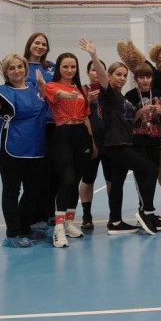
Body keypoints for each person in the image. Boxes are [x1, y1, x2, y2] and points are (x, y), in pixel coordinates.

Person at [79, 39, 161, 235]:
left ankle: (115, 222)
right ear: (109, 76)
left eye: (125, 75)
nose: (122, 78)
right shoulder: (108, 93)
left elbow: (126, 120)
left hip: (122, 142)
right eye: (118, 74)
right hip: (117, 144)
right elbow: (101, 75)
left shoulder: (120, 96)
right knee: (149, 169)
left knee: (117, 181)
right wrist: (93, 55)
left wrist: (139, 113)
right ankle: (147, 212)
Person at [0, 57, 48, 247]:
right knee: (12, 191)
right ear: (5, 72)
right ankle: (13, 234)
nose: (17, 70)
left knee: (33, 190)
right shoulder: (2, 92)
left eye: (20, 66)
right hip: (11, 149)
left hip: (36, 148)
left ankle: (25, 227)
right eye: (11, 68)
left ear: (25, 69)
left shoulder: (34, 88)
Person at [38, 52, 95, 247]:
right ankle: (59, 228)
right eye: (65, 66)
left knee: (76, 180)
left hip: (82, 135)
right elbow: (57, 95)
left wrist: (92, 141)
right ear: (59, 68)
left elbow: (86, 116)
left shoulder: (80, 89)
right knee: (67, 179)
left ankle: (70, 222)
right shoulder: (52, 86)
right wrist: (66, 94)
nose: (69, 70)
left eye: (73, 67)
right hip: (63, 135)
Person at [21, 32, 56, 231]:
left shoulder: (51, 67)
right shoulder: (21, 66)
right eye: (37, 43)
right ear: (30, 44)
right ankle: (32, 216)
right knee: (35, 172)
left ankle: (48, 212)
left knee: (52, 171)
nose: (40, 46)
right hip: (33, 125)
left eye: (44, 44)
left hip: (52, 123)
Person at [125, 63, 161, 214]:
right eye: (141, 77)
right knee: (142, 175)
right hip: (138, 142)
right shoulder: (130, 95)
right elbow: (128, 121)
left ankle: (148, 209)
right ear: (136, 79)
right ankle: (144, 208)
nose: (145, 80)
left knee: (153, 175)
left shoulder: (158, 93)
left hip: (155, 141)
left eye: (148, 77)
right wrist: (140, 111)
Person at [78, 58, 111, 229]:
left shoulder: (110, 91)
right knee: (88, 178)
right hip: (90, 143)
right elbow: (76, 115)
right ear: (87, 72)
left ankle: (114, 215)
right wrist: (88, 101)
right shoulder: (81, 91)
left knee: (111, 179)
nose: (96, 73)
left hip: (110, 143)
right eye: (93, 70)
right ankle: (86, 215)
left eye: (100, 70)